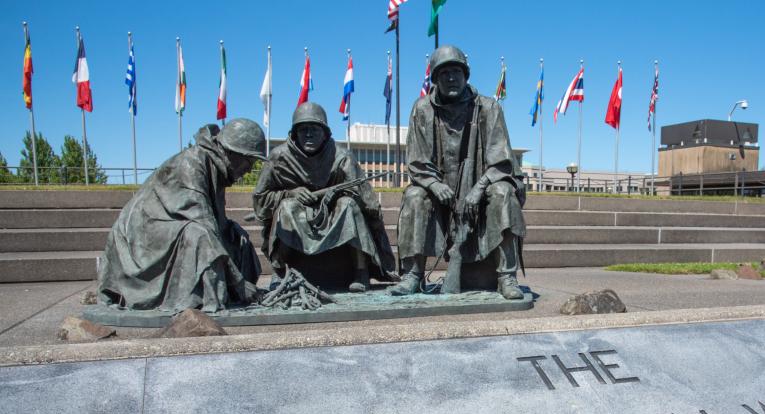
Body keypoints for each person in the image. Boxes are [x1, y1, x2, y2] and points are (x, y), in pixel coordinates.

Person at [390, 44, 526, 299]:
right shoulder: (422, 109)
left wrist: (479, 188)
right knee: (414, 196)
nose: (451, 78)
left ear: (466, 75)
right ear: (435, 78)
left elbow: (501, 160)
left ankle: (506, 277)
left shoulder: (488, 108)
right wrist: (433, 185)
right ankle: (413, 275)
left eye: (456, 71)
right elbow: (417, 161)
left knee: (503, 191)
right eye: (444, 73)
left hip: (481, 192)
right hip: (440, 195)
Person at [97, 119, 265, 313]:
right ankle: (203, 301)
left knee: (235, 234)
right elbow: (203, 223)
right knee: (199, 235)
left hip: (169, 226)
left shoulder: (216, 168)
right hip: (140, 236)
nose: (249, 169)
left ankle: (235, 295)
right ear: (232, 152)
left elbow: (217, 223)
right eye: (249, 161)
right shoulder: (192, 163)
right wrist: (238, 281)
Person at [252, 102, 396, 292]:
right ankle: (280, 271)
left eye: (314, 129)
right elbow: (261, 199)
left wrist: (337, 195)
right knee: (287, 208)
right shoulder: (278, 157)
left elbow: (366, 199)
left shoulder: (342, 156)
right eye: (303, 129)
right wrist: (290, 193)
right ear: (294, 133)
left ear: (325, 133)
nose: (309, 134)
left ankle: (360, 271)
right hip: (298, 215)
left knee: (349, 205)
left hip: (333, 214)